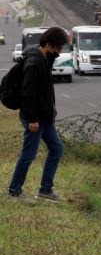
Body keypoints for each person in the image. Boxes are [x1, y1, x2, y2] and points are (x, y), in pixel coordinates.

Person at [7, 26, 68, 201]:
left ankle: (45, 190)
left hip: (45, 118)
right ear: (49, 44)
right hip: (35, 119)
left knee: (56, 149)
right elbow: (28, 93)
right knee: (29, 154)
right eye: (58, 47)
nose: (59, 51)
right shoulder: (34, 63)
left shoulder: (44, 59)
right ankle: (14, 191)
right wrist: (32, 119)